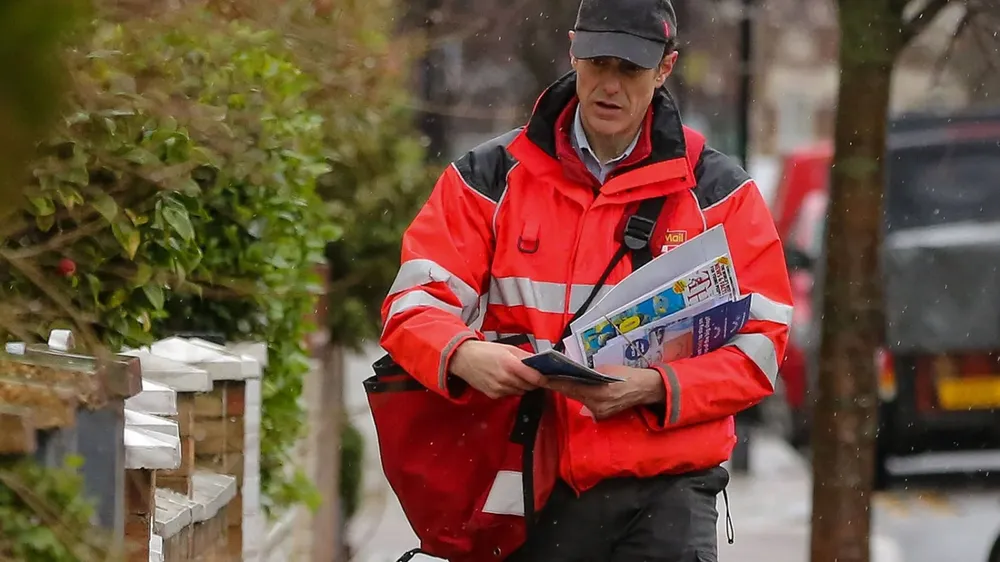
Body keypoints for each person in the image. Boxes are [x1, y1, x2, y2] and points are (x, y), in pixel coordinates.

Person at [379, 0, 793, 559]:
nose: (610, 85)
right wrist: (463, 354)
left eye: (630, 68)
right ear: (573, 51)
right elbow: (411, 303)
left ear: (665, 68)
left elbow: (762, 345)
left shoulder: (719, 192)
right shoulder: (488, 178)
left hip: (667, 491)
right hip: (534, 485)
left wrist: (657, 388)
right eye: (599, 62)